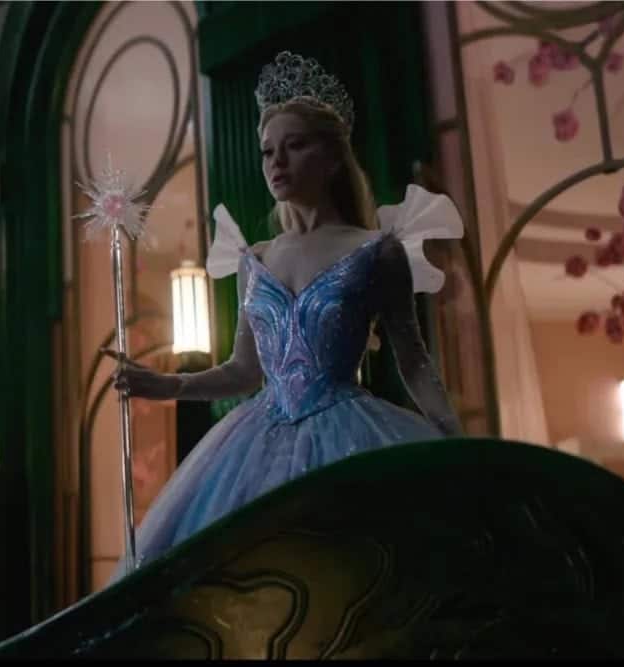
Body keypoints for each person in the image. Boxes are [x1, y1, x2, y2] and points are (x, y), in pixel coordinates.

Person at [111, 51, 464, 580]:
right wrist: (166, 386)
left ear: (333, 157)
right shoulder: (254, 259)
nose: (276, 162)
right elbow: (243, 372)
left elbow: (412, 360)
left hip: (348, 435)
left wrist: (450, 435)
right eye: (267, 151)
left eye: (294, 146)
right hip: (256, 443)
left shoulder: (376, 250)